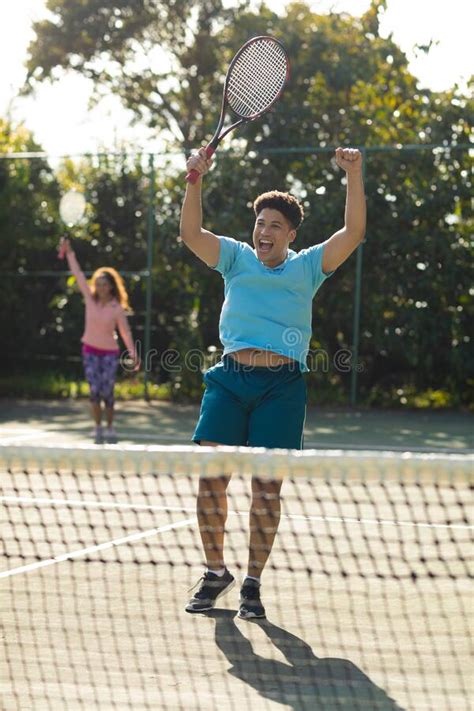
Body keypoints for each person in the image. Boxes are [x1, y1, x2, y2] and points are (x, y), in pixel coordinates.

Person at [180, 146, 366, 620]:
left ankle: (252, 584)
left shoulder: (307, 267)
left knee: (267, 489)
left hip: (281, 387)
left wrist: (354, 175)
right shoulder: (236, 257)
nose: (264, 231)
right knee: (210, 481)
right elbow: (190, 233)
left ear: (291, 235)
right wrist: (194, 180)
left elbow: (354, 233)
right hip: (229, 381)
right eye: (260, 223)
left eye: (274, 226)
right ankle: (215, 571)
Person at [59, 238, 139, 443]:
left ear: (111, 288)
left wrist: (132, 352)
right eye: (98, 284)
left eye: (105, 284)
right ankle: (97, 428)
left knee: (108, 392)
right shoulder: (89, 299)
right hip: (90, 351)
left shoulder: (117, 308)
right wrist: (69, 253)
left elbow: (125, 332)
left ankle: (110, 428)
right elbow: (77, 273)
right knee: (94, 391)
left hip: (110, 354)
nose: (101, 287)